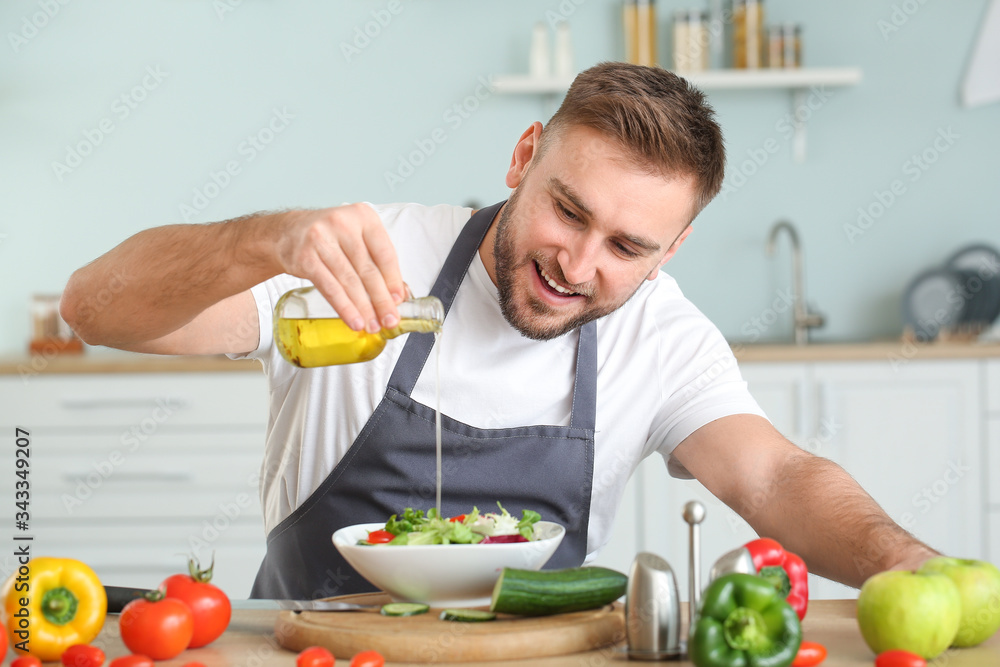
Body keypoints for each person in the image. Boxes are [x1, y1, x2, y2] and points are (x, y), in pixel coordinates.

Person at [61, 62, 938, 599]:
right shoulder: (358, 254)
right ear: (525, 158)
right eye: (567, 209)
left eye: (628, 246)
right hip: (315, 647)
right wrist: (262, 239)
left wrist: (908, 564)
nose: (579, 264)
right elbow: (92, 309)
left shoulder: (661, 337)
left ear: (672, 249)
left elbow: (778, 475)